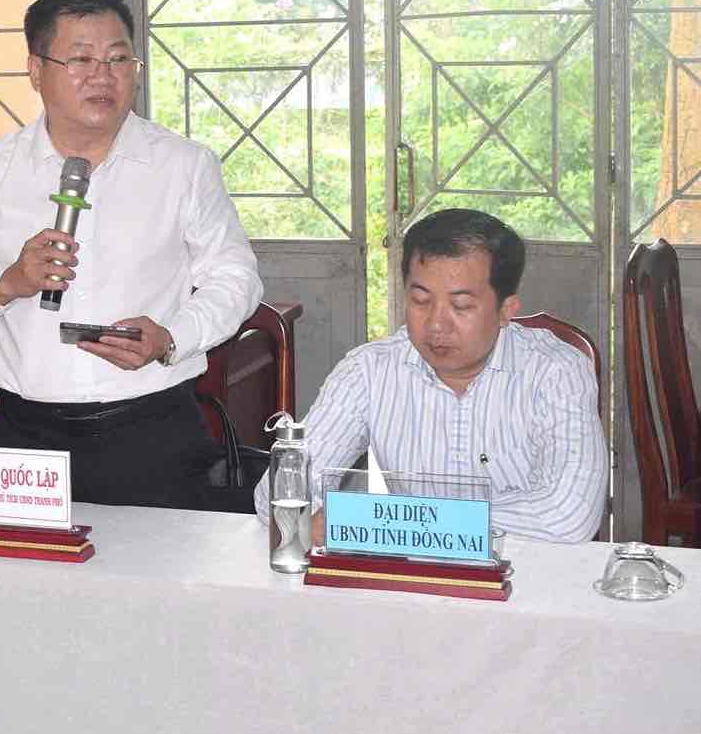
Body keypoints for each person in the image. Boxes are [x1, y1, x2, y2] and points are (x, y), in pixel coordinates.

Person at [0, 0, 262, 509]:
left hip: (153, 430)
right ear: (36, 70)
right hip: (25, 440)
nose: (103, 76)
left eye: (119, 58)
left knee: (160, 588)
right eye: (81, 59)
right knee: (13, 588)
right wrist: (8, 283)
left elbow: (236, 278)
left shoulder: (183, 166)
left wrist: (172, 336)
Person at [254, 209, 608, 544]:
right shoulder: (369, 370)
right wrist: (409, 526)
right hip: (407, 585)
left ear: (506, 310)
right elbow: (276, 496)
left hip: (526, 582)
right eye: (421, 301)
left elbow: (568, 517)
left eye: (462, 306)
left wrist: (380, 522)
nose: (437, 325)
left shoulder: (556, 371)